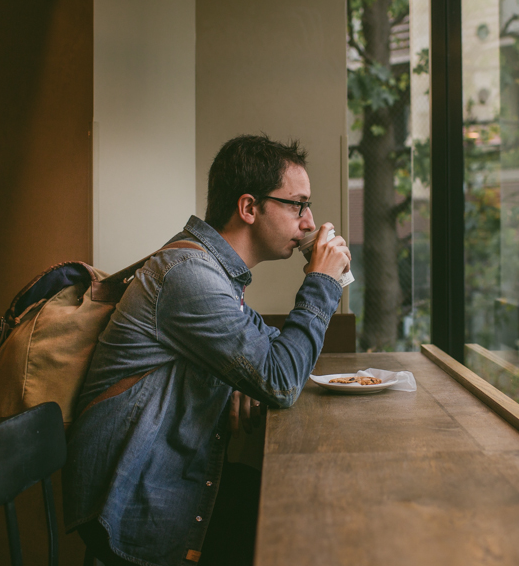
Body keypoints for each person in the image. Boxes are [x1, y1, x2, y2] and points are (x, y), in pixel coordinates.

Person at [63, 134, 351, 566]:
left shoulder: (214, 272)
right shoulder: (188, 275)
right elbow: (281, 379)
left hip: (168, 473)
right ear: (249, 207)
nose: (309, 223)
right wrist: (323, 283)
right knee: (304, 528)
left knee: (296, 511)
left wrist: (242, 379)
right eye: (297, 205)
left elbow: (268, 357)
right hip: (133, 497)